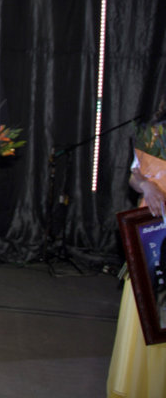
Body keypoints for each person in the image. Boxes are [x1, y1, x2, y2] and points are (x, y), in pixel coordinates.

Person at [107, 96, 166, 398]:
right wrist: (146, 185)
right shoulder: (155, 134)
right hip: (153, 236)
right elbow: (135, 175)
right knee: (149, 315)